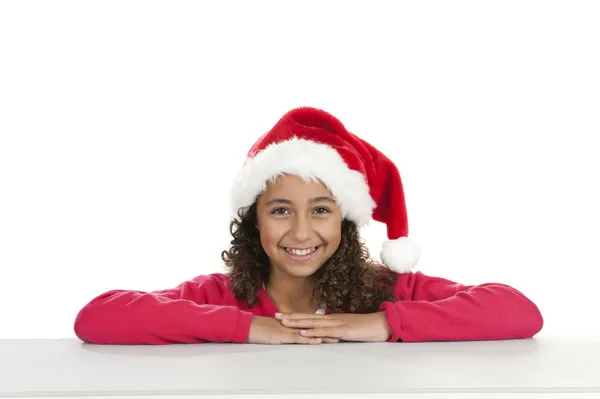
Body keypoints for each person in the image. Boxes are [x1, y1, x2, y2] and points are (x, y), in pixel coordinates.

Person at [73, 106, 543, 345]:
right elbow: (97, 318)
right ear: (254, 221)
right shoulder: (219, 296)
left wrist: (382, 323)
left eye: (321, 209)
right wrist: (248, 329)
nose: (301, 232)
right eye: (280, 210)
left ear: (347, 220)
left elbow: (519, 312)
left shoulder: (390, 289)